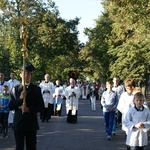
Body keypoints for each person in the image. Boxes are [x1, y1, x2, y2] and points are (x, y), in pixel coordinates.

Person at [9, 63, 44, 150]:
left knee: (31, 147)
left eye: (29, 74)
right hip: (19, 123)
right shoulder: (15, 89)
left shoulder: (36, 89)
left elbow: (41, 106)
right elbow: (10, 106)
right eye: (24, 73)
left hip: (31, 124)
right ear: (20, 74)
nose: (26, 76)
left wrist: (29, 109)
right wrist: (20, 99)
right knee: (19, 147)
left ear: (31, 75)